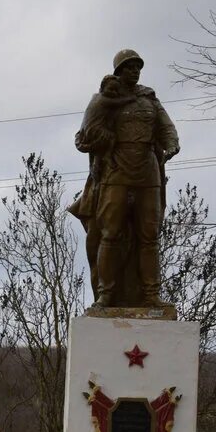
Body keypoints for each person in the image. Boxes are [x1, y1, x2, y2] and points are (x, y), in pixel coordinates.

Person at [75, 49, 179, 308]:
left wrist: (172, 143)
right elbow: (87, 132)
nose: (135, 71)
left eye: (137, 67)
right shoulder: (104, 98)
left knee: (149, 236)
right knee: (110, 233)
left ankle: (151, 294)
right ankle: (106, 294)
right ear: (119, 70)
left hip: (147, 170)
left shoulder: (149, 98)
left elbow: (165, 125)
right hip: (116, 170)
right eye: (129, 67)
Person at [68, 74, 137, 298]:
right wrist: (92, 146)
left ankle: (124, 294)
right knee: (96, 245)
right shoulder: (99, 107)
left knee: (128, 246)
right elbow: (81, 137)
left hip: (127, 185)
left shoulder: (134, 113)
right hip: (99, 189)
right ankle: (102, 294)